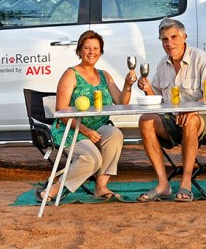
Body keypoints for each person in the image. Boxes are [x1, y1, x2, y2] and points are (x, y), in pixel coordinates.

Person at [39, 30, 136, 202]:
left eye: (96, 48)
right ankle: (54, 189)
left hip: (98, 128)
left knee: (115, 134)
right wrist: (86, 131)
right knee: (92, 159)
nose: (92, 52)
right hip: (71, 130)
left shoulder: (104, 75)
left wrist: (128, 85)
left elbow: (121, 102)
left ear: (101, 51)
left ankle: (101, 186)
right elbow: (61, 112)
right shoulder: (71, 74)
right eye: (87, 48)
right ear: (79, 50)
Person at [136, 17, 206, 203]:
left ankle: (186, 183)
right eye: (165, 39)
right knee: (145, 120)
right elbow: (156, 99)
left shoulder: (201, 58)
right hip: (172, 119)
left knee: (190, 121)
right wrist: (146, 88)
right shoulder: (162, 64)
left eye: (173, 37)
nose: (169, 43)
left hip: (201, 117)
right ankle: (163, 184)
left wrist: (191, 110)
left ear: (184, 37)